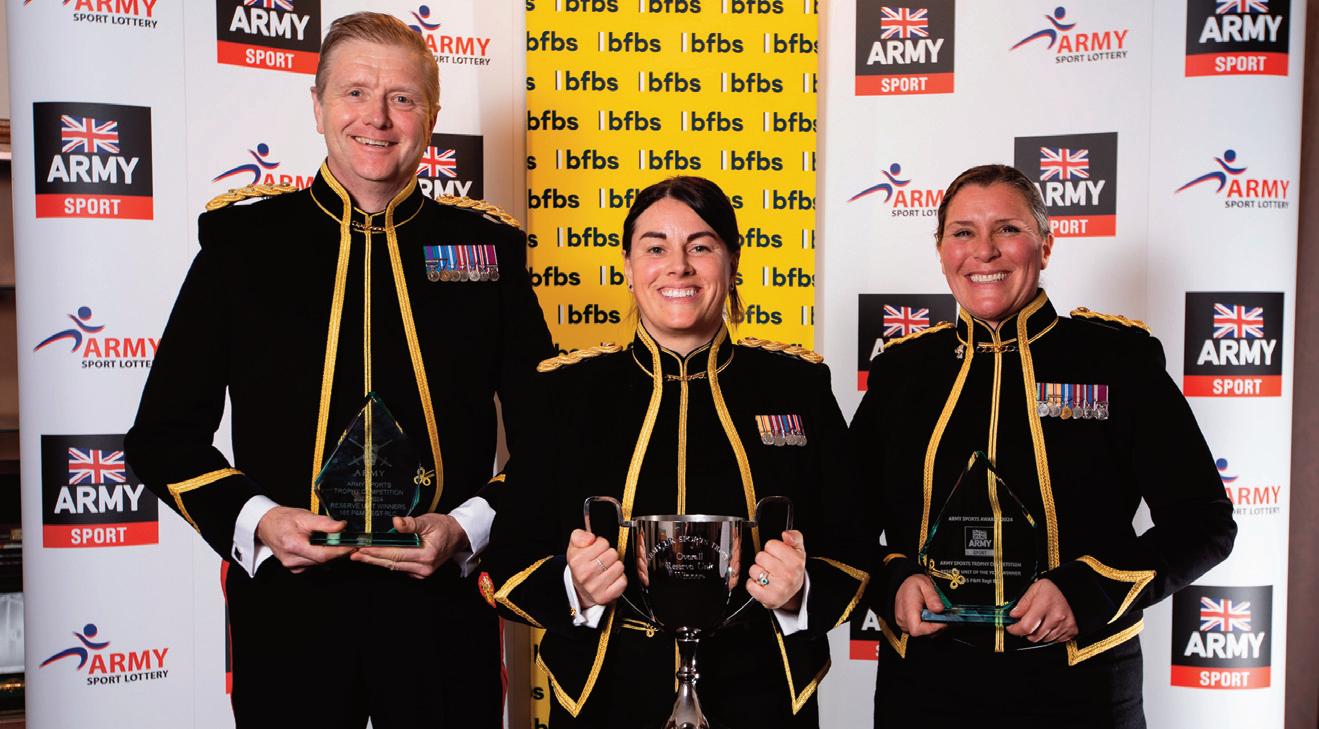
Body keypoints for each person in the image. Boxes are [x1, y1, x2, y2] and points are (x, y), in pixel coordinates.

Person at [124, 13, 552, 729]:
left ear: (431, 115)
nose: (376, 118)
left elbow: (550, 440)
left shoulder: (486, 252)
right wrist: (260, 523)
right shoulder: (242, 246)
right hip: (289, 615)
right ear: (318, 105)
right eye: (355, 93)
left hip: (444, 616)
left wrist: (465, 529)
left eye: (402, 98)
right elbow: (162, 436)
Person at [851, 164, 1236, 728]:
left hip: (1082, 689)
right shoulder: (901, 373)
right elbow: (844, 525)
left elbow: (1204, 522)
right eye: (962, 232)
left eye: (1007, 229)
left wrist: (1088, 591)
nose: (983, 251)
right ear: (941, 251)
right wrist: (893, 581)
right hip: (924, 688)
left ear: (1046, 245)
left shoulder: (1117, 361)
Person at [482, 177, 869, 728]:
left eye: (700, 246)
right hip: (605, 701)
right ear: (628, 265)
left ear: (733, 261)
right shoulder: (565, 393)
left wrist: (798, 593)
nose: (678, 267)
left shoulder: (798, 387)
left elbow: (854, 547)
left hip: (760, 699)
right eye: (656, 248)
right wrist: (576, 588)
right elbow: (507, 561)